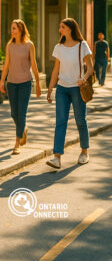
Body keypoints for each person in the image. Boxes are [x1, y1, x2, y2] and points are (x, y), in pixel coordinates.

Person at [46, 18, 94, 169]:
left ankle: (84, 152)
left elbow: (90, 68)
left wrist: (84, 79)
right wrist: (50, 88)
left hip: (76, 88)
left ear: (70, 29)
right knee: (61, 122)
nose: (59, 29)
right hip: (62, 89)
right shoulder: (59, 47)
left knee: (81, 120)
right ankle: (57, 157)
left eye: (62, 27)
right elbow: (56, 70)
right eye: (60, 27)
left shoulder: (82, 45)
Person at [0, 20, 41, 155]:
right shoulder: (10, 45)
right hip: (11, 83)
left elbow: (34, 65)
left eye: (14, 28)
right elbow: (6, 65)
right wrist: (2, 81)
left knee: (21, 113)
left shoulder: (29, 45)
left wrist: (38, 83)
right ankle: (23, 129)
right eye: (11, 28)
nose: (12, 30)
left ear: (21, 29)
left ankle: (17, 143)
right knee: (13, 113)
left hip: (25, 82)